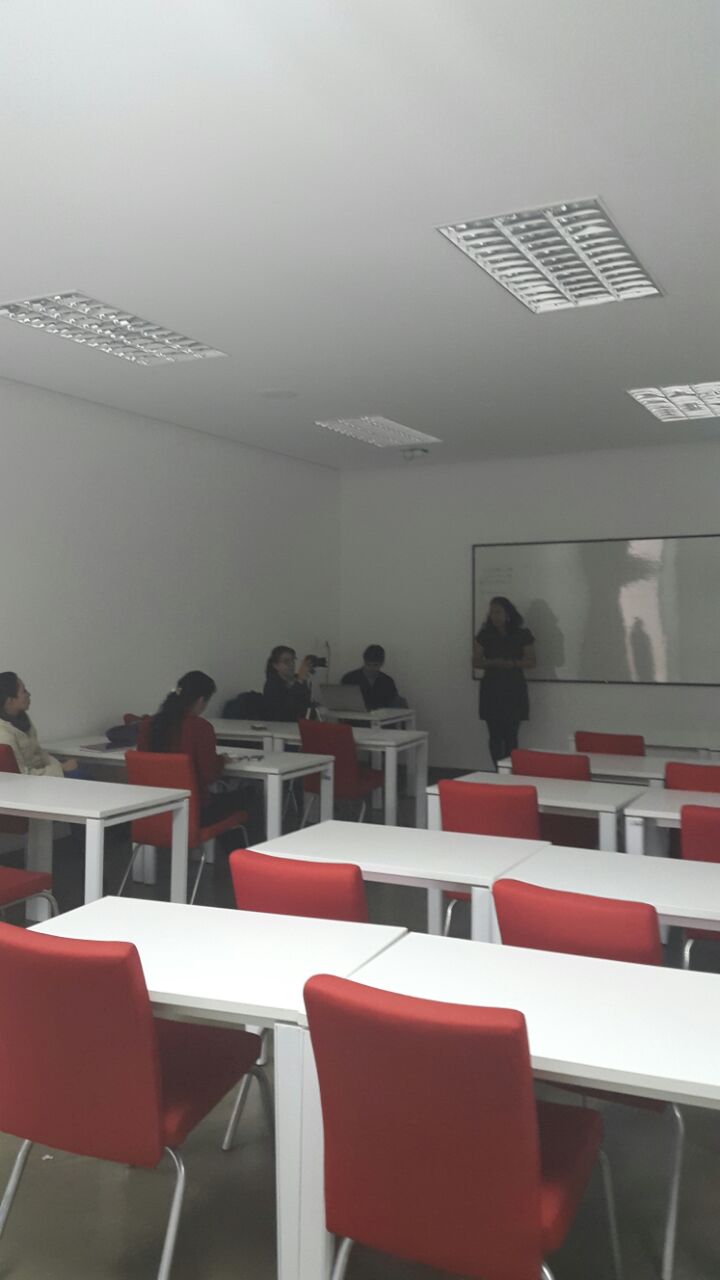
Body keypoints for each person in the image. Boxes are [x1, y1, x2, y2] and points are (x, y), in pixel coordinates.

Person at [137, 670, 243, 825]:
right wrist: (221, 760)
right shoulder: (200, 727)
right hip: (193, 812)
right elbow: (209, 775)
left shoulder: (148, 725)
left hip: (152, 810)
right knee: (248, 795)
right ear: (201, 700)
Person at [473, 598, 536, 767]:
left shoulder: (522, 634)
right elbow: (476, 662)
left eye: (498, 612)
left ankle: (510, 771)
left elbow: (531, 661)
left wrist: (513, 663)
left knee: (511, 735)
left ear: (508, 614)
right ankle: (497, 770)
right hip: (491, 688)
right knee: (494, 734)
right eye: (492, 612)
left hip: (514, 687)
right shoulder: (484, 635)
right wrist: (495, 663)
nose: (494, 616)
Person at [0, 672, 77, 776]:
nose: (29, 694)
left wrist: (60, 765)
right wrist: (60, 769)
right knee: (81, 776)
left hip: (44, 772)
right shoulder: (4, 734)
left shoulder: (22, 719)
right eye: (24, 692)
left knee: (82, 771)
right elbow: (22, 775)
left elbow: (39, 753)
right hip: (32, 781)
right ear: (10, 700)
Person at [341, 645, 401, 710]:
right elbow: (342, 704)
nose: (371, 668)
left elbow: (394, 706)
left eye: (375, 665)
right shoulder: (349, 679)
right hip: (354, 715)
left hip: (381, 716)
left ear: (382, 664)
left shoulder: (388, 682)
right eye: (368, 664)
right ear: (364, 661)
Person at [263, 646, 313, 721]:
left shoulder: (298, 681)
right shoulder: (272, 684)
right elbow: (286, 712)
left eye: (293, 660)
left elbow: (305, 706)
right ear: (275, 665)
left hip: (300, 724)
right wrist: (299, 681)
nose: (291, 664)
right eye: (286, 661)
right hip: (280, 725)